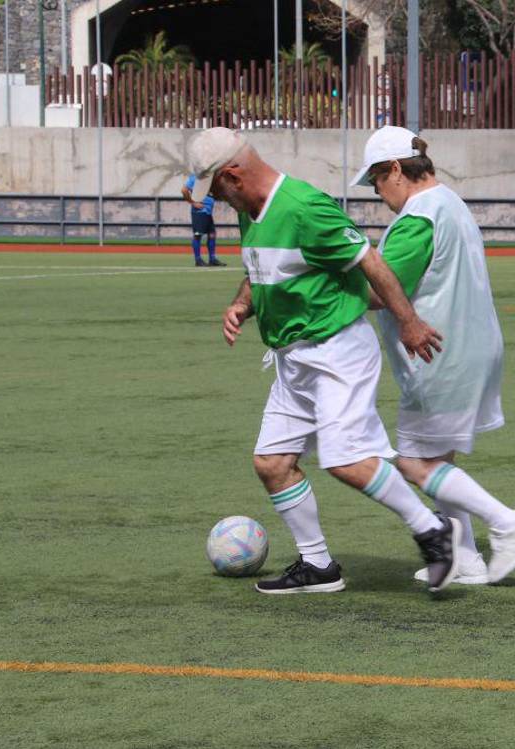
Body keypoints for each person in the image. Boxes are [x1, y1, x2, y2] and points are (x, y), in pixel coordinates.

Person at [187, 127, 461, 596]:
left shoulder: (304, 207)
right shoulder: (252, 211)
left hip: (337, 352)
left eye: (214, 188)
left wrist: (410, 323)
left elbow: (372, 264)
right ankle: (318, 566)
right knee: (272, 463)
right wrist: (241, 304)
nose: (215, 198)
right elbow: (261, 269)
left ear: (233, 175)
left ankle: (432, 530)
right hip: (292, 359)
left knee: (345, 460)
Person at [352, 126, 515, 585]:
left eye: (377, 180)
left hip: (440, 353)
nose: (378, 192)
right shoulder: (451, 203)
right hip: (469, 347)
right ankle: (465, 556)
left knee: (415, 463)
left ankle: (507, 524)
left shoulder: (418, 216)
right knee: (437, 459)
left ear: (397, 169)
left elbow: (380, 290)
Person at [182, 173, 225, 267]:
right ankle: (198, 260)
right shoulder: (195, 177)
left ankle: (212, 259)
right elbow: (184, 190)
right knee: (198, 235)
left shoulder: (209, 178)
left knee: (212, 234)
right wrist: (193, 203)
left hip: (208, 212)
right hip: (199, 212)